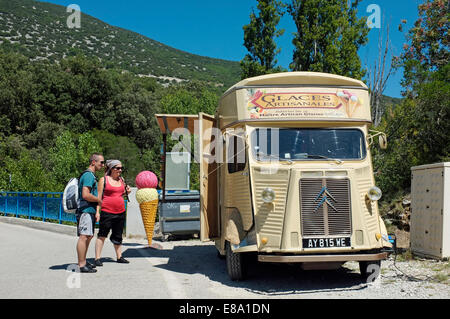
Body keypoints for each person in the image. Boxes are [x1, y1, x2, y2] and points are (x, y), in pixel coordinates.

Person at [94, 159, 131, 266]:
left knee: (118, 235)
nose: (120, 170)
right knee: (102, 235)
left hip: (120, 212)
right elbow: (99, 197)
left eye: (121, 168)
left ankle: (119, 257)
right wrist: (97, 212)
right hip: (107, 211)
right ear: (111, 168)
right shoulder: (103, 180)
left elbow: (120, 194)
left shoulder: (122, 180)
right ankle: (97, 258)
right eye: (118, 168)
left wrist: (126, 192)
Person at [76, 153, 105, 273]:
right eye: (101, 162)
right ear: (93, 162)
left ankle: (83, 260)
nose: (103, 165)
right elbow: (85, 194)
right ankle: (81, 264)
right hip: (86, 210)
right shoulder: (88, 176)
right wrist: (99, 200)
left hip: (90, 210)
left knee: (88, 235)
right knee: (84, 237)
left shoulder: (91, 176)